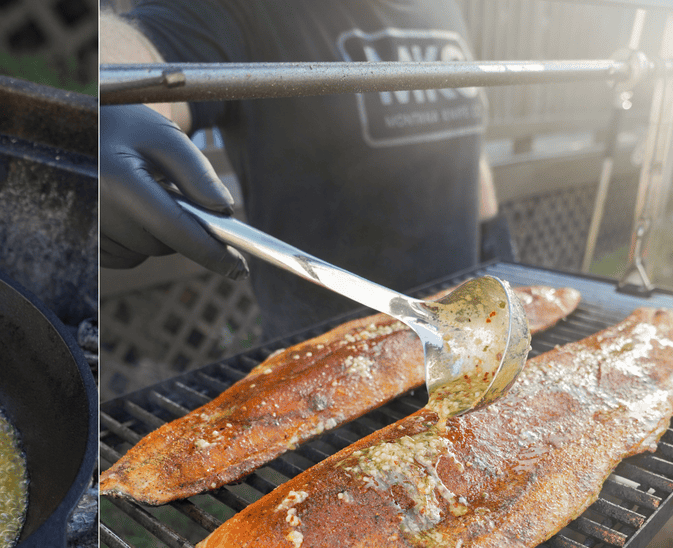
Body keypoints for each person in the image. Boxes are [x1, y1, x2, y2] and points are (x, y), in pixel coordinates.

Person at [100, 0, 507, 339]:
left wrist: (495, 241)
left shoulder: (446, 7)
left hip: (460, 330)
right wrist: (105, 103)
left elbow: (465, 143)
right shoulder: (247, 9)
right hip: (321, 352)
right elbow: (143, 47)